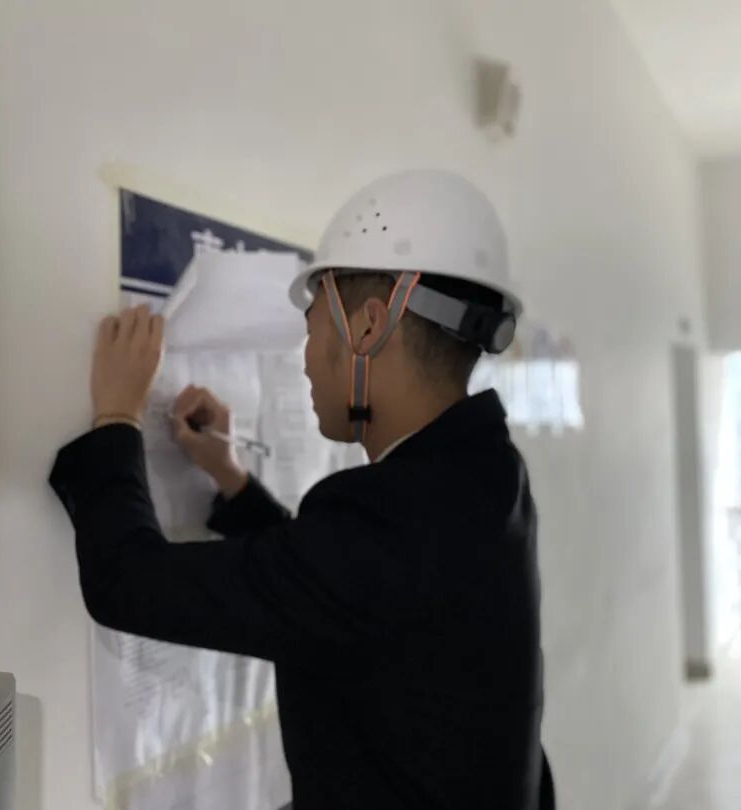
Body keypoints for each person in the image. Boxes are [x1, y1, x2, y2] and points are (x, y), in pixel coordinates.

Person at [49, 170, 554, 809]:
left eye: (312, 327)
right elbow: (345, 586)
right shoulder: (485, 475)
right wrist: (232, 481)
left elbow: (127, 583)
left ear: (368, 327)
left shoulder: (396, 518)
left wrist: (117, 415)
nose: (308, 359)